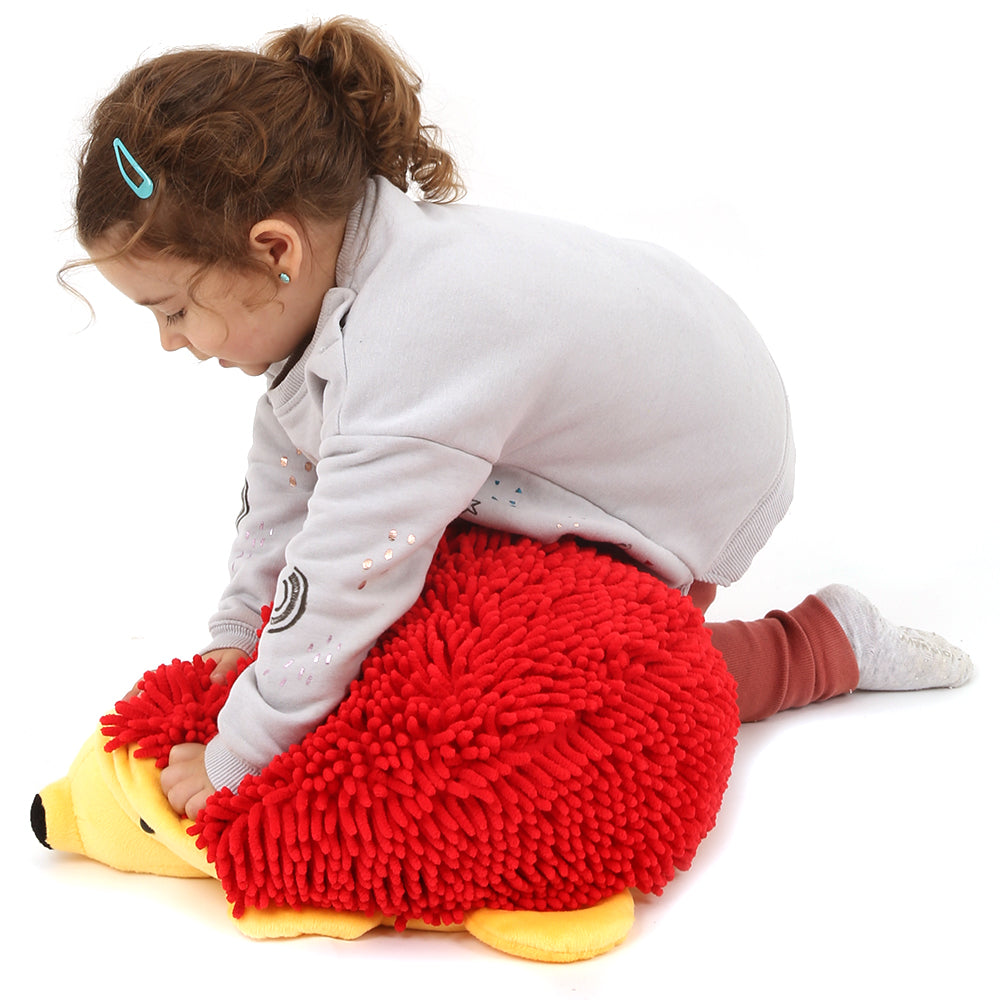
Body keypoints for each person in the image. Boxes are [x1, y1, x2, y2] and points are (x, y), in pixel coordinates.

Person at [66, 17, 973, 820]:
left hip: (690, 489)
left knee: (565, 694)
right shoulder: (335, 296)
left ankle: (820, 646)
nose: (169, 344)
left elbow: (347, 573)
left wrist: (246, 752)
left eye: (174, 309)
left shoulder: (412, 342)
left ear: (275, 250)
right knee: (384, 625)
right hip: (627, 409)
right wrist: (239, 633)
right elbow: (288, 481)